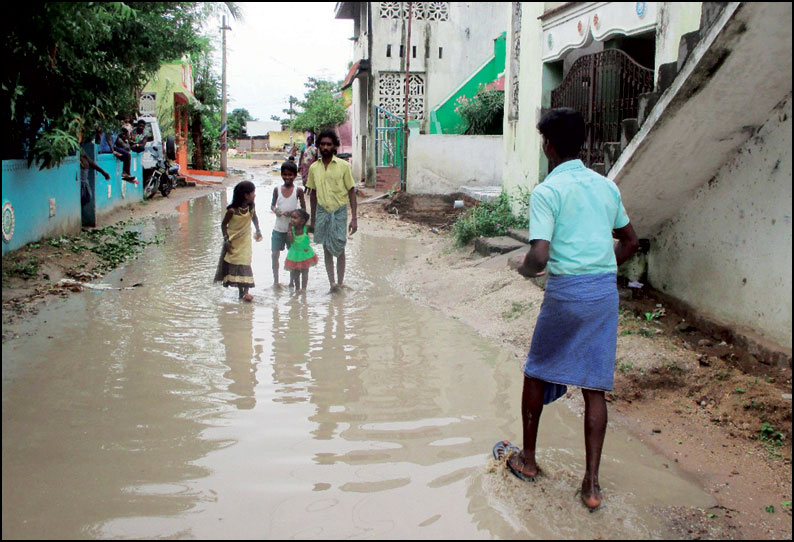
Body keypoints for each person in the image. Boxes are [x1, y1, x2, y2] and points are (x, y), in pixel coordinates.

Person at [495, 108, 639, 512]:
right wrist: (599, 262)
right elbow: (630, 242)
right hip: (602, 293)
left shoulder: (547, 191)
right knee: (595, 386)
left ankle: (527, 460)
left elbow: (539, 255)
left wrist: (521, 268)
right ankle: (591, 486)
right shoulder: (606, 187)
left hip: (566, 292)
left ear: (548, 145)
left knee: (536, 371)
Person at [306, 129, 358, 293]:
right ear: (318, 146)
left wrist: (354, 218)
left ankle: (341, 282)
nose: (325, 147)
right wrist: (313, 220)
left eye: (329, 144)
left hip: (339, 211)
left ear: (335, 146)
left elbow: (351, 191)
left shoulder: (343, 166)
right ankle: (332, 284)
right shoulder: (314, 168)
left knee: (340, 246)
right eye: (322, 144)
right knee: (326, 248)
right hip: (322, 211)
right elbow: (313, 194)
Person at [214, 181, 263, 302]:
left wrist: (258, 230)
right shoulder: (232, 211)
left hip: (245, 242)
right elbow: (223, 225)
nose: (254, 195)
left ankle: (246, 293)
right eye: (253, 193)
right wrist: (226, 240)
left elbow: (254, 217)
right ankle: (242, 293)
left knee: (245, 264)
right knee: (237, 265)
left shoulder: (251, 207)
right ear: (246, 195)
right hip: (234, 243)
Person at [270, 161, 306, 288]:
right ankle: (276, 281)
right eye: (284, 175)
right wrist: (276, 211)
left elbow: (303, 210)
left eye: (290, 175)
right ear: (281, 175)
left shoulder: (298, 190)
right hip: (278, 229)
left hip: (294, 231)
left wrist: (293, 213)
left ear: (295, 175)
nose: (287, 177)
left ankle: (292, 282)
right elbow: (272, 205)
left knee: (293, 256)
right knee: (275, 255)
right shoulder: (277, 189)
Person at [284, 209, 318, 292]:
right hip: (294, 255)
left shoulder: (307, 228)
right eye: (291, 217)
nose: (292, 220)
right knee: (296, 274)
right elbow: (290, 240)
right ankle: (297, 289)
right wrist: (289, 230)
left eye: (295, 218)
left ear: (302, 221)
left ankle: (303, 289)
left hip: (305, 254)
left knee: (305, 273)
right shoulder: (291, 230)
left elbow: (317, 232)